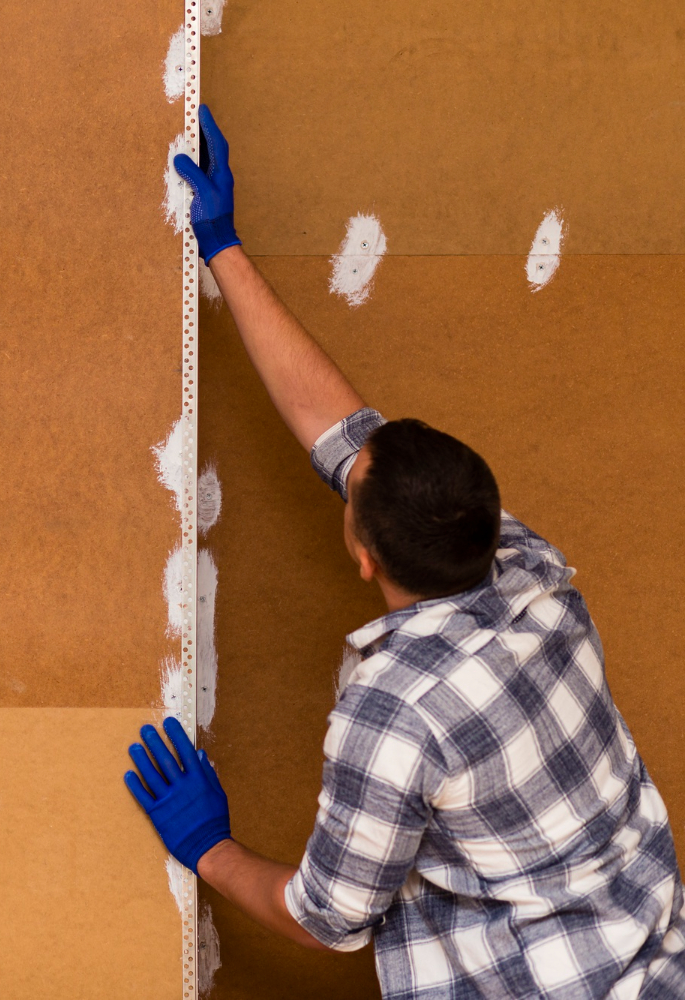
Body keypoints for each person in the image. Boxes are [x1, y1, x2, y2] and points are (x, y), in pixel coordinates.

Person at [124, 106, 685, 998]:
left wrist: (212, 850)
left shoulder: (396, 717)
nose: (349, 460)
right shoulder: (525, 563)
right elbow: (343, 432)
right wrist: (221, 246)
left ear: (364, 556)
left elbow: (327, 918)